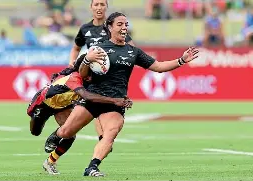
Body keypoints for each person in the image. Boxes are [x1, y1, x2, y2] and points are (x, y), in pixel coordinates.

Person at [46, 12, 199, 177]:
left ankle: (92, 167)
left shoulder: (133, 52)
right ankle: (56, 135)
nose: (124, 27)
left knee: (110, 133)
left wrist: (181, 60)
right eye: (120, 24)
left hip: (116, 103)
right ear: (110, 27)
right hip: (92, 98)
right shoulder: (98, 50)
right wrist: (87, 60)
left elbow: (158, 67)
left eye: (126, 24)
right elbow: (82, 75)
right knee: (66, 132)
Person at [27, 54, 132, 174]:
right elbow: (87, 96)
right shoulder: (74, 78)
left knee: (70, 134)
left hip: (63, 106)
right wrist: (115, 101)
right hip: (44, 103)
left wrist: (121, 97)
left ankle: (50, 162)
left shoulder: (89, 78)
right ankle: (54, 136)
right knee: (35, 132)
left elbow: (103, 93)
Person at [68, 0, 134, 146]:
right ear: (91, 7)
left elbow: (131, 49)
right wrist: (72, 62)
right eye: (96, 4)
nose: (99, 7)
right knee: (89, 104)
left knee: (98, 106)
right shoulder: (85, 28)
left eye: (102, 4)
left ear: (106, 7)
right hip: (91, 73)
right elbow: (75, 48)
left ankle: (102, 139)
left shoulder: (113, 27)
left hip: (110, 77)